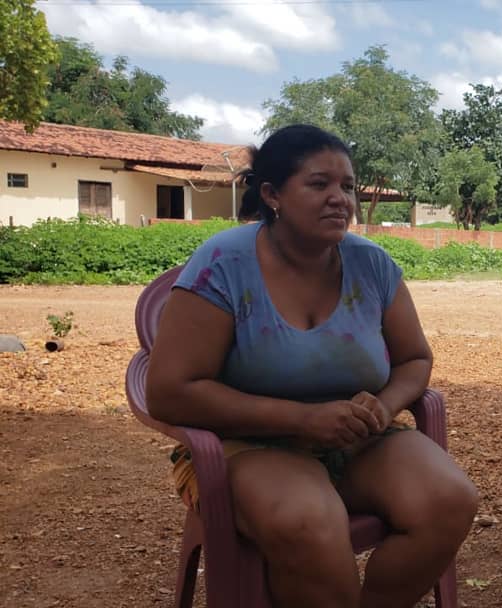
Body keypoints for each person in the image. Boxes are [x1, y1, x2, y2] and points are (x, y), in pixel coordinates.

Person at [146, 124, 478, 608]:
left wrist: (383, 408)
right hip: (245, 445)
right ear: (272, 194)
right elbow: (170, 390)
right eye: (319, 184)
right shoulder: (223, 263)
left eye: (347, 186)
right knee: (312, 524)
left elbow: (414, 359)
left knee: (451, 500)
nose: (340, 198)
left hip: (357, 438)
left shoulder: (373, 265)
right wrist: (301, 419)